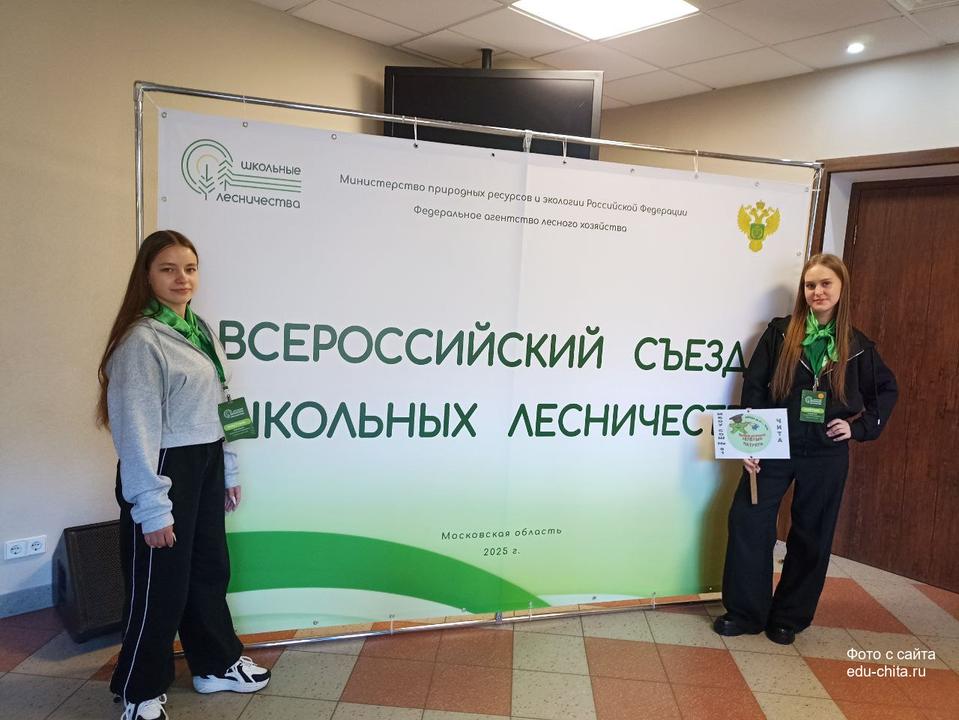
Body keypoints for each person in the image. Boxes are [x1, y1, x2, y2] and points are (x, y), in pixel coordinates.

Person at [97, 230, 270, 720]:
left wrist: (228, 466)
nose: (182, 279)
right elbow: (135, 432)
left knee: (209, 570)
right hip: (165, 469)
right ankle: (139, 691)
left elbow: (226, 399)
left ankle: (214, 664)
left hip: (206, 461)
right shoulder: (141, 341)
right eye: (168, 269)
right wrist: (151, 507)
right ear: (147, 276)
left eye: (189, 269)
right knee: (160, 584)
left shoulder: (201, 330)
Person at [713, 253, 897, 645]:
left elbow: (886, 390)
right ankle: (745, 612)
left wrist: (858, 428)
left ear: (842, 288)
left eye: (826, 283)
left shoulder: (858, 346)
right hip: (776, 445)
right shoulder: (780, 333)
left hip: (826, 452)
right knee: (748, 520)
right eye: (810, 285)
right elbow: (755, 388)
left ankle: (789, 617)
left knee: (812, 533)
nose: (817, 291)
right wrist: (750, 442)